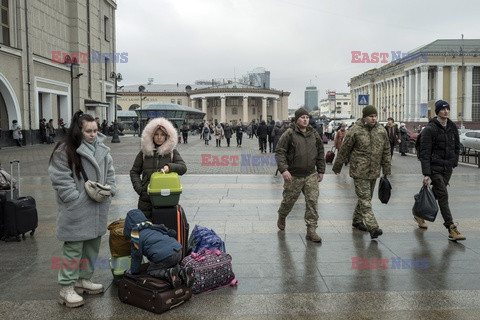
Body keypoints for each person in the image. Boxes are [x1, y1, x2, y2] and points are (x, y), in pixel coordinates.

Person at [48, 110, 116, 308]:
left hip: (97, 206)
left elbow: (110, 173)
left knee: (91, 246)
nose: (93, 134)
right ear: (79, 131)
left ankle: (82, 279)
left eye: (95, 130)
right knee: (73, 248)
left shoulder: (102, 149)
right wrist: (73, 198)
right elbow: (60, 177)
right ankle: (66, 287)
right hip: (77, 208)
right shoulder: (65, 150)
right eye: (88, 131)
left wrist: (110, 190)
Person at [332, 105, 391, 240]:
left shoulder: (381, 131)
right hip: (359, 171)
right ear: (365, 117)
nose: (373, 119)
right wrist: (337, 166)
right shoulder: (355, 130)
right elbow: (344, 149)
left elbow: (386, 151)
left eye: (375, 116)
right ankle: (373, 227)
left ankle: (357, 221)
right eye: (371, 116)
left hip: (374, 170)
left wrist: (386, 169)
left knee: (367, 198)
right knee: (365, 200)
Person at [416, 100, 465, 241]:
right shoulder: (430, 129)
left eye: (447, 109)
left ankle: (419, 212)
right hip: (434, 168)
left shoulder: (452, 126)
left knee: (436, 193)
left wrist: (454, 161)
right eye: (442, 109)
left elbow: (456, 145)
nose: (446, 111)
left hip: (447, 167)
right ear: (437, 112)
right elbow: (425, 153)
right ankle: (451, 228)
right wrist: (426, 174)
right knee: (443, 195)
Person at [276, 107, 325, 242]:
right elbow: (280, 152)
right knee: (288, 201)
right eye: (302, 117)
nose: (305, 120)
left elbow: (320, 151)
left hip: (310, 174)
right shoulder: (289, 134)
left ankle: (311, 230)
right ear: (297, 119)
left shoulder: (314, 134)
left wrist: (321, 170)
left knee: (312, 202)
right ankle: (282, 214)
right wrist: (284, 169)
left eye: (307, 117)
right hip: (294, 175)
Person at [130, 117, 187, 219]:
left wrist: (170, 167)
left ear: (167, 136)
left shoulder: (171, 153)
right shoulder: (144, 153)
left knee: (166, 229)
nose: (159, 137)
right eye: (156, 134)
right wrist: (140, 189)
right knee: (146, 230)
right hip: (145, 201)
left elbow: (183, 168)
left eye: (162, 134)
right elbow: (134, 172)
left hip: (166, 199)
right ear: (151, 135)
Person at [123, 209, 194, 288]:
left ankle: (168, 273)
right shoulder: (153, 227)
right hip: (178, 249)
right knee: (172, 264)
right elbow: (170, 232)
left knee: (152, 270)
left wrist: (134, 271)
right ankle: (184, 271)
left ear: (128, 225)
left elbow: (136, 256)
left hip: (164, 256)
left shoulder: (135, 236)